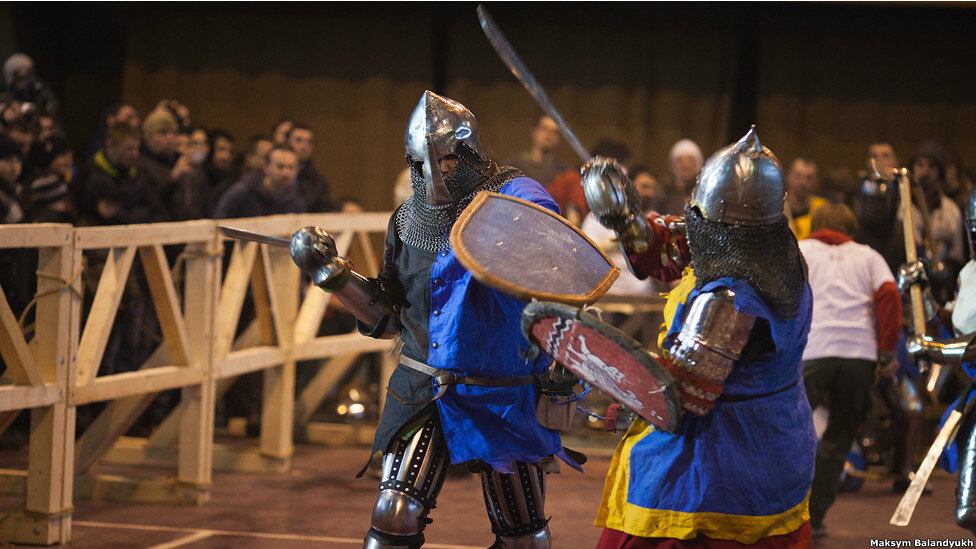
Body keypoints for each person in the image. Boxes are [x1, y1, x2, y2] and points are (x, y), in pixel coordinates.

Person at [288, 91, 576, 548]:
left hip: (502, 390)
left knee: (523, 537)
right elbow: (388, 316)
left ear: (467, 155)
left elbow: (545, 231)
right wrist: (334, 276)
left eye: (445, 160)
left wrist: (505, 224)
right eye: (423, 163)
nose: (435, 173)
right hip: (427, 386)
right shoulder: (408, 220)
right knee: (394, 514)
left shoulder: (514, 193)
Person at [583, 128, 815, 547]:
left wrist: (612, 381)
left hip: (718, 467)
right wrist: (623, 214)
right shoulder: (778, 254)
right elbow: (667, 242)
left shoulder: (729, 300)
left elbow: (677, 396)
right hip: (776, 444)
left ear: (719, 218)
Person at [798, 203, 901, 538]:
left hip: (814, 349)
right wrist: (886, 353)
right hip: (859, 353)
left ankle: (782, 515)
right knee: (839, 438)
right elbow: (889, 298)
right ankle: (816, 519)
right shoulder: (868, 256)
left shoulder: (800, 250)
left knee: (787, 431)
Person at [24, 134, 74, 223]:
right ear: (49, 159)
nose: (69, 160)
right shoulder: (46, 182)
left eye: (70, 155)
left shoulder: (62, 179)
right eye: (63, 155)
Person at [287, 123, 334, 212]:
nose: (304, 146)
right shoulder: (268, 174)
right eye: (298, 140)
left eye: (309, 142)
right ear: (287, 142)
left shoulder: (318, 181)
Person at [509, 115, 566, 188]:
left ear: (558, 139)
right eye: (544, 129)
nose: (549, 135)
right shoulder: (514, 166)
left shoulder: (563, 171)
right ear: (534, 132)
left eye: (554, 132)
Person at [786, 157, 827, 240]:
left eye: (809, 177)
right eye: (798, 176)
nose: (803, 182)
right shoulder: (777, 207)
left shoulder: (823, 208)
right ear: (788, 177)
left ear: (816, 181)